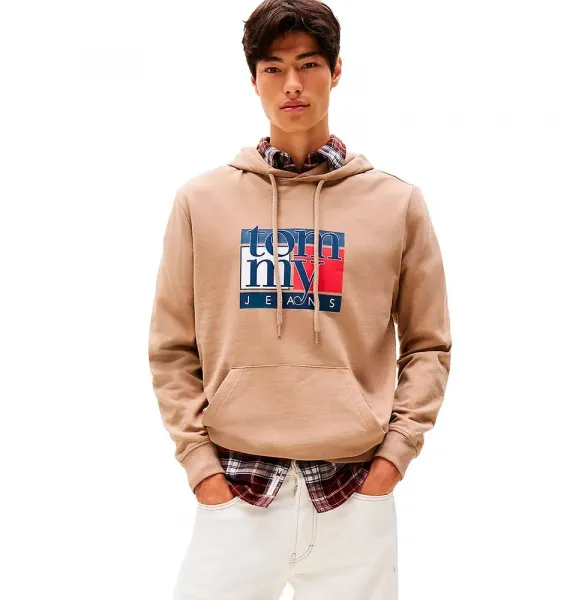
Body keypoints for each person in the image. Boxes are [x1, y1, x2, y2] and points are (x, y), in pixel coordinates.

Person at [147, 1, 452, 598]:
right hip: (237, 491)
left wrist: (392, 460)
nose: (292, 84)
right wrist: (201, 468)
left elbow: (428, 346)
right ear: (254, 79)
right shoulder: (200, 202)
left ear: (336, 70)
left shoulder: (396, 203)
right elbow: (171, 348)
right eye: (273, 67)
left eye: (308, 64)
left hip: (354, 497)